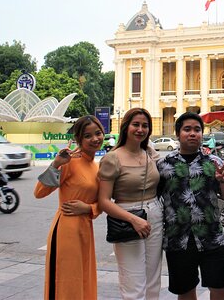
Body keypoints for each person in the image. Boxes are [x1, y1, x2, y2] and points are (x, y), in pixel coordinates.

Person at [157, 112, 224, 300]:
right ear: (178, 134)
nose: (192, 133)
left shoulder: (214, 162)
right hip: (179, 240)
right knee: (185, 291)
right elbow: (154, 197)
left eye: (197, 130)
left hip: (212, 237)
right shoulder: (164, 165)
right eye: (187, 129)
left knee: (220, 288)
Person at [34, 115, 104, 300]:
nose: (95, 139)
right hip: (67, 230)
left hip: (85, 230)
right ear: (79, 140)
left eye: (98, 133)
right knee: (67, 282)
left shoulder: (96, 166)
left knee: (84, 279)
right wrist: (56, 164)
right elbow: (39, 192)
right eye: (88, 136)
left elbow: (101, 203)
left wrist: (88, 209)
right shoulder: (70, 162)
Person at [98, 108, 163, 300]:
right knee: (133, 282)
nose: (140, 129)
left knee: (153, 280)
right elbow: (103, 201)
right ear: (126, 126)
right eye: (136, 124)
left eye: (145, 126)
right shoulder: (113, 158)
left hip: (154, 217)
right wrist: (133, 220)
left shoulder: (150, 154)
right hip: (126, 218)